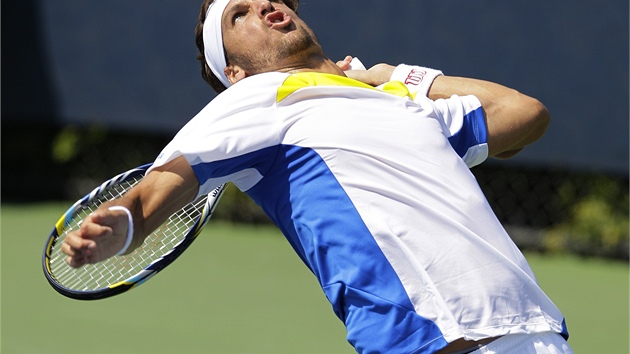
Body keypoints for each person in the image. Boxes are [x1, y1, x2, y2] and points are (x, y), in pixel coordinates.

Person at [62, 0, 574, 353]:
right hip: (442, 342)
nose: (263, 5)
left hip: (535, 331)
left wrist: (392, 76)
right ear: (233, 72)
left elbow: (523, 112)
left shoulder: (398, 102)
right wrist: (121, 227)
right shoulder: (253, 98)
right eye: (239, 15)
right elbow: (158, 190)